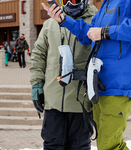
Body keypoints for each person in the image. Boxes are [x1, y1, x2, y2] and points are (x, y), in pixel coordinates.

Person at [42, 0, 131, 150]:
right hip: (100, 84)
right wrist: (64, 20)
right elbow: (89, 33)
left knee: (110, 145)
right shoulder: (106, 5)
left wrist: (105, 32)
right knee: (104, 144)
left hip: (120, 84)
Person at [30, 1, 97, 149]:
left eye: (74, 0)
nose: (69, 4)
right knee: (52, 145)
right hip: (54, 100)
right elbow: (39, 55)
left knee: (79, 146)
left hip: (81, 102)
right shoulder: (49, 24)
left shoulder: (96, 21)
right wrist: (36, 84)